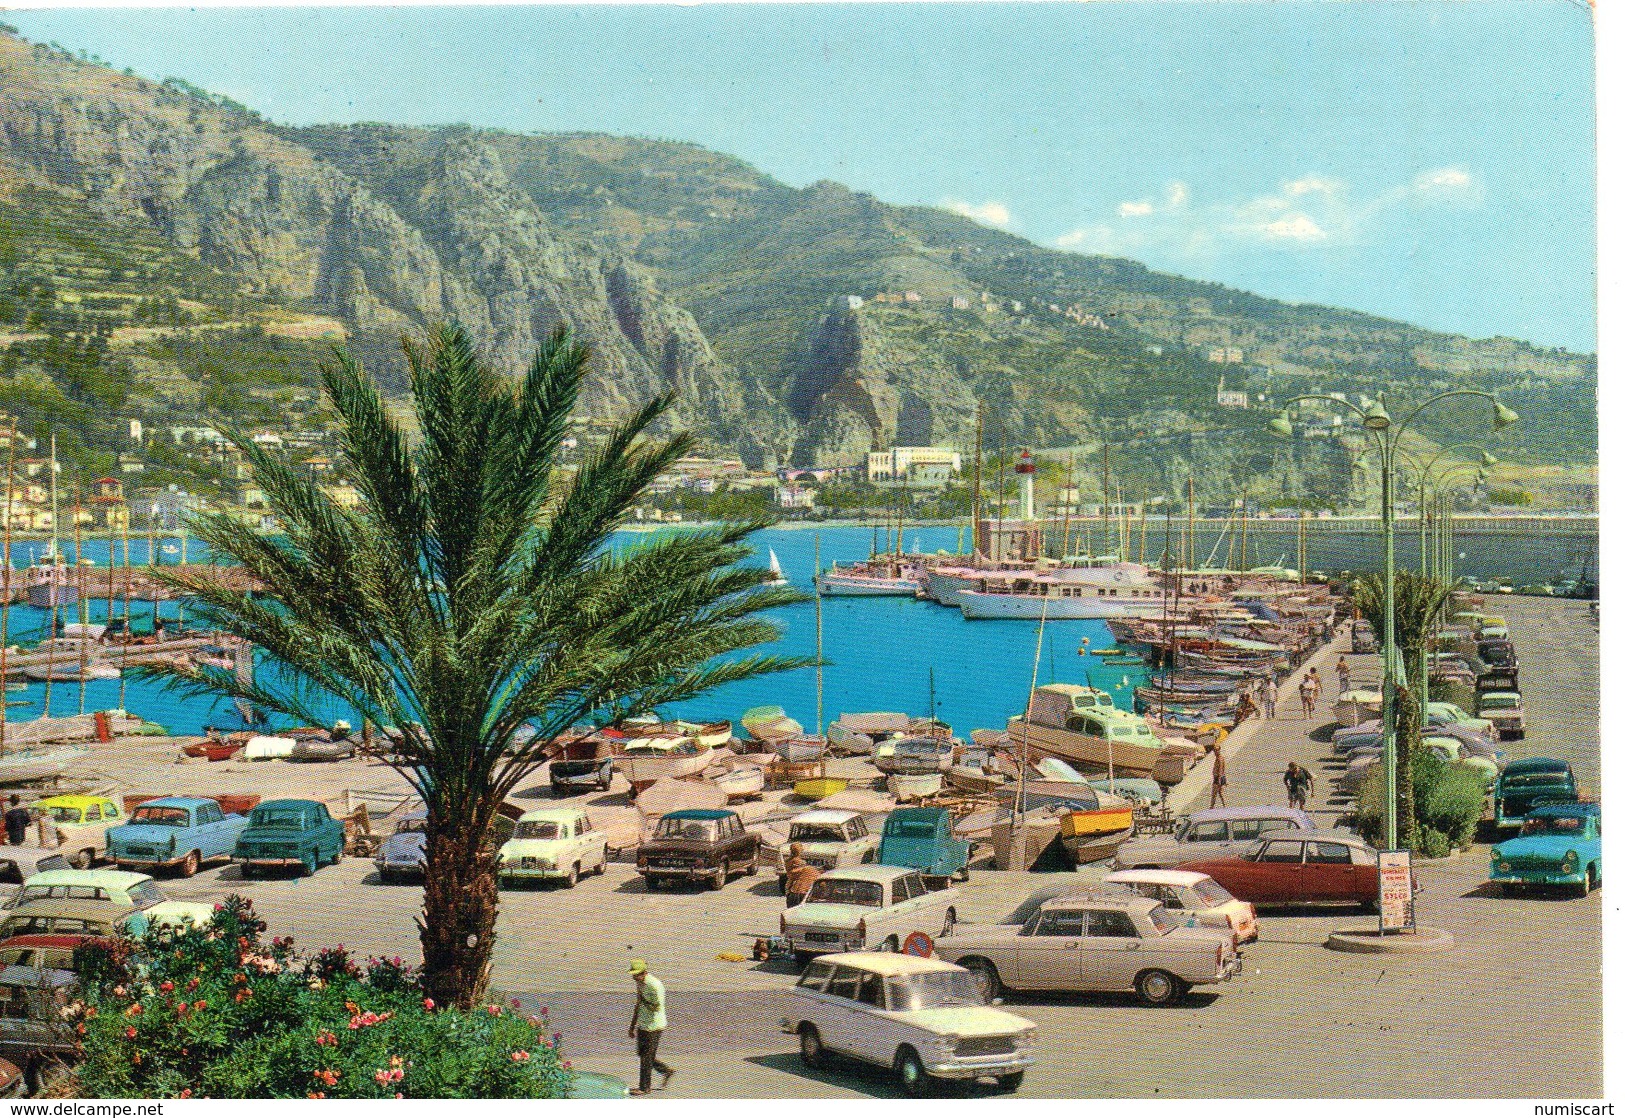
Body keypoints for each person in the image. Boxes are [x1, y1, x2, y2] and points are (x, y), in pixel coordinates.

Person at [627, 959, 673, 1095]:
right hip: (643, 1023)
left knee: (646, 1057)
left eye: (637, 975)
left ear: (644, 972)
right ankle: (666, 1071)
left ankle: (644, 1087)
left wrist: (643, 1000)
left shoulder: (655, 985)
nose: (634, 978)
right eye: (633, 975)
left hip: (654, 1025)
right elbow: (638, 1005)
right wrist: (632, 1026)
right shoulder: (640, 984)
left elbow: (656, 1007)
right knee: (642, 1054)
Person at [783, 842, 821, 907]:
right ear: (799, 851)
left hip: (792, 890)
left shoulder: (788, 861)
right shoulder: (801, 863)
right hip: (803, 892)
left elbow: (790, 876)